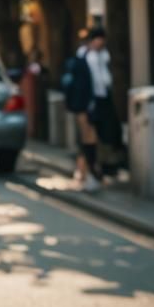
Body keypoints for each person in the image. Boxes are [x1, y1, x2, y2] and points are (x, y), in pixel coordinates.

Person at [62, 26, 118, 192]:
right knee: (89, 138)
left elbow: (105, 82)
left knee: (93, 139)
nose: (102, 43)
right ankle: (91, 175)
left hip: (98, 102)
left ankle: (83, 172)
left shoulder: (102, 57)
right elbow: (86, 85)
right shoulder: (85, 58)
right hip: (85, 104)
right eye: (100, 40)